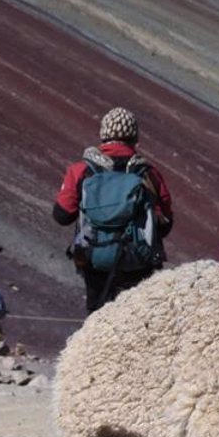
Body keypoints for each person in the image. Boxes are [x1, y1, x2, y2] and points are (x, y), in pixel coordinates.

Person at [52, 107, 173, 314]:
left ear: (103, 136)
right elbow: (165, 224)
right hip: (138, 263)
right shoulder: (149, 174)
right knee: (134, 320)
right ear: (135, 138)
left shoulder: (82, 170)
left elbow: (62, 215)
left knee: (96, 318)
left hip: (94, 258)